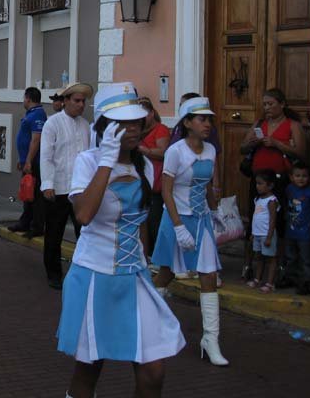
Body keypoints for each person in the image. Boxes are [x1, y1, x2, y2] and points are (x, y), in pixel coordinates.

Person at [59, 82, 184, 398]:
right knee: (89, 371)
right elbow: (84, 215)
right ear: (105, 126)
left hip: (134, 277)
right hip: (94, 277)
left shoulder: (146, 166)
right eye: (123, 123)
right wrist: (107, 161)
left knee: (154, 371)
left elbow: (139, 224)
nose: (133, 129)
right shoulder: (88, 161)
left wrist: (146, 263)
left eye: (136, 122)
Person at [152, 96, 228, 366]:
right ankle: (153, 324)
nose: (207, 124)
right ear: (187, 123)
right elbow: (167, 191)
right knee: (166, 273)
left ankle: (211, 340)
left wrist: (215, 211)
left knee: (209, 276)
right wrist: (178, 226)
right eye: (201, 119)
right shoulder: (175, 151)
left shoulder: (211, 150)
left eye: (209, 120)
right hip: (177, 219)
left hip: (202, 219)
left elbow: (206, 185)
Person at [239, 88, 307, 278]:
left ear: (282, 104)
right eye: (265, 104)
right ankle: (249, 265)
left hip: (279, 181)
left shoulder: (292, 125)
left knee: (279, 222)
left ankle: (278, 267)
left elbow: (301, 153)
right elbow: (242, 148)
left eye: (270, 104)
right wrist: (253, 143)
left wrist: (277, 144)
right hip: (259, 181)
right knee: (254, 221)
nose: (267, 108)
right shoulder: (259, 124)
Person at [40, 82, 92, 289]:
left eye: (83, 101)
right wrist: (47, 184)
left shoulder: (86, 126)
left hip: (81, 190)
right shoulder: (52, 124)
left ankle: (83, 271)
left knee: (84, 234)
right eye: (77, 101)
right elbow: (46, 156)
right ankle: (53, 273)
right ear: (66, 101)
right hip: (59, 187)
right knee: (54, 233)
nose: (81, 105)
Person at [8, 87, 47, 238]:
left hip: (34, 162)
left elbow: (36, 139)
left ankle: (37, 226)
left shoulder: (38, 114)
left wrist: (29, 161)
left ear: (28, 98)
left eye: (24, 98)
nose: (23, 101)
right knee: (27, 193)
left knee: (35, 195)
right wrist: (22, 159)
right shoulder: (30, 113)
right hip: (27, 161)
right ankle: (25, 222)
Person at [281, 162, 310, 294]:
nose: (301, 179)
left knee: (307, 258)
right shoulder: (289, 189)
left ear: (309, 177)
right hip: (290, 231)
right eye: (297, 175)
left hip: (306, 232)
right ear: (291, 177)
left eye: (304, 176)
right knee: (290, 256)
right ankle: (291, 278)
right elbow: (286, 203)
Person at [137, 97, 169, 252]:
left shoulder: (160, 129)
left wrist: (145, 150)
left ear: (151, 113)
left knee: (154, 223)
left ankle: (156, 256)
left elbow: (163, 152)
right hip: (142, 183)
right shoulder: (139, 130)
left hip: (155, 184)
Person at [246, 170, 279, 294]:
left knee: (271, 258)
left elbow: (272, 220)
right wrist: (253, 233)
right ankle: (257, 279)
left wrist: (269, 236)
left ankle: (270, 283)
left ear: (270, 186)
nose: (257, 186)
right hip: (258, 234)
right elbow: (256, 218)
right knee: (259, 257)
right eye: (257, 183)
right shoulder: (258, 199)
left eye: (260, 183)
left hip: (266, 234)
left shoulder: (271, 201)